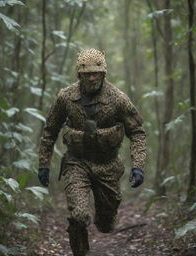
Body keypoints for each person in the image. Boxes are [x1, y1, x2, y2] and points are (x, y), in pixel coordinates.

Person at [38, 48, 146, 256]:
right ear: (79, 74)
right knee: (78, 216)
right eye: (87, 74)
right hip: (76, 163)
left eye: (96, 73)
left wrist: (138, 166)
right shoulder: (65, 98)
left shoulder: (118, 99)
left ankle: (104, 216)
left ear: (104, 73)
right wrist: (43, 164)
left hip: (108, 165)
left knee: (106, 225)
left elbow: (137, 133)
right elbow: (50, 131)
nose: (92, 77)